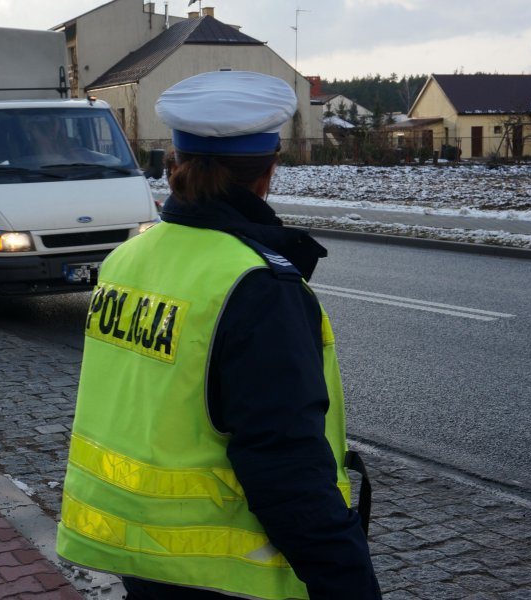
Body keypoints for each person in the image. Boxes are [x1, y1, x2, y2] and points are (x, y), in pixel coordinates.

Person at [56, 71, 381, 599]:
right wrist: (349, 583)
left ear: (173, 165)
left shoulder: (125, 259)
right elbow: (285, 465)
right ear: (268, 173)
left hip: (140, 550)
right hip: (223, 571)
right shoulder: (258, 285)